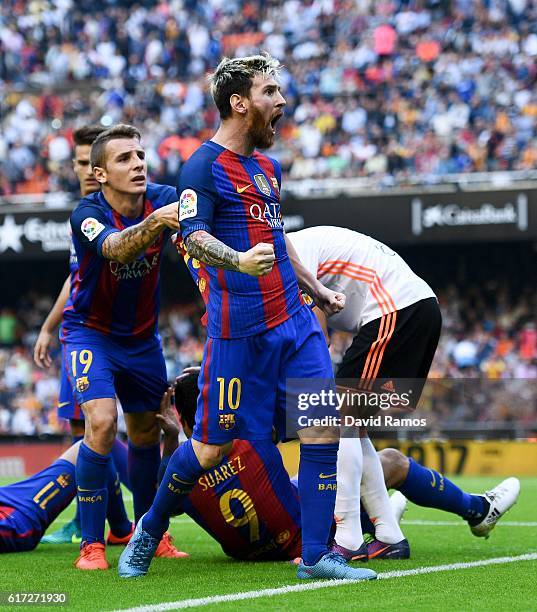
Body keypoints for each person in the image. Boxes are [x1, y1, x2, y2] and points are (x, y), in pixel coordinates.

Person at [119, 54, 376, 582]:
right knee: (211, 449)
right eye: (270, 92)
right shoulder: (202, 167)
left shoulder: (268, 169)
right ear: (239, 103)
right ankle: (149, 528)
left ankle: (315, 557)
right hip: (239, 334)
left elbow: (276, 239)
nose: (281, 102)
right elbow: (190, 235)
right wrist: (236, 260)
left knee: (322, 429)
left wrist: (316, 287)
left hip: (296, 323)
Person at [287, 226, 519, 559]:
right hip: (418, 308)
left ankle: (348, 541)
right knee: (352, 425)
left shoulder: (290, 251)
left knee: (334, 422)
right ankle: (388, 535)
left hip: (395, 311)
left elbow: (316, 333)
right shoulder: (303, 244)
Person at [64, 123, 185, 570]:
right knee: (100, 422)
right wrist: (156, 222)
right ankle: (92, 545)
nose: (137, 164)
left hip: (142, 339)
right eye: (124, 159)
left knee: (145, 434)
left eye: (139, 155)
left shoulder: (165, 194)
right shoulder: (86, 213)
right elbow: (115, 249)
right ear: (99, 173)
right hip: (90, 333)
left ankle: (151, 534)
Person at [33, 125, 131, 545]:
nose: (88, 171)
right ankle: (104, 522)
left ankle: (128, 521)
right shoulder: (83, 213)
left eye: (93, 163)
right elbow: (75, 279)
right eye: (80, 164)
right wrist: (49, 326)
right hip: (80, 331)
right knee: (83, 426)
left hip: (106, 333)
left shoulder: (114, 212)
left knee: (99, 425)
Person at [0, 442, 131, 553]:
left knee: (97, 431)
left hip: (7, 500)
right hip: (14, 517)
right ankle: (123, 529)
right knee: (98, 437)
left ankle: (123, 526)